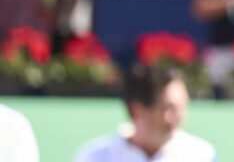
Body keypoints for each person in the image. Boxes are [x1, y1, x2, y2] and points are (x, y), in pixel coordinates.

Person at [73, 64, 215, 161]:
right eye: (169, 108)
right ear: (137, 110)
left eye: (182, 107)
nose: (179, 117)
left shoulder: (202, 155)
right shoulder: (95, 157)